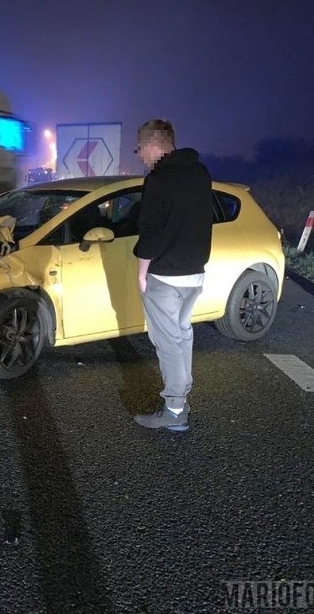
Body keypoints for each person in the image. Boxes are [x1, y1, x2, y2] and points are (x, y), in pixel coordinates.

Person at [131, 119, 214, 432]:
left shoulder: (158, 179)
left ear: (154, 144)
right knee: (182, 336)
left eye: (140, 149)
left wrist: (142, 273)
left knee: (167, 343)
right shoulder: (201, 174)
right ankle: (181, 399)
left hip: (165, 276)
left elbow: (149, 232)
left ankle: (175, 410)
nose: (140, 155)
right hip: (194, 274)